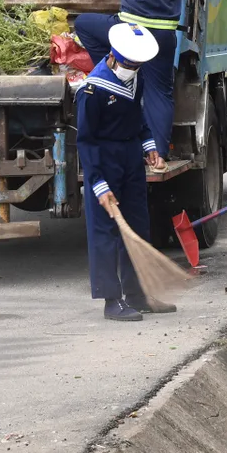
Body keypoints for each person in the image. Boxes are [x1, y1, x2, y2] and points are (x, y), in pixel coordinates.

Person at [74, 0, 189, 170]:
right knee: (160, 92)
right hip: (162, 35)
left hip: (129, 32)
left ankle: (114, 68)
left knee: (83, 24)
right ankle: (159, 155)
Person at [76, 22, 173, 321]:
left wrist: (149, 146)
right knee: (105, 231)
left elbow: (138, 116)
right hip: (103, 158)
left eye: (138, 64)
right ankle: (111, 299)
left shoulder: (135, 79)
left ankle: (137, 293)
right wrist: (98, 183)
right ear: (114, 56)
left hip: (130, 157)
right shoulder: (92, 89)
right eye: (130, 63)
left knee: (138, 225)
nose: (134, 68)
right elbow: (85, 140)